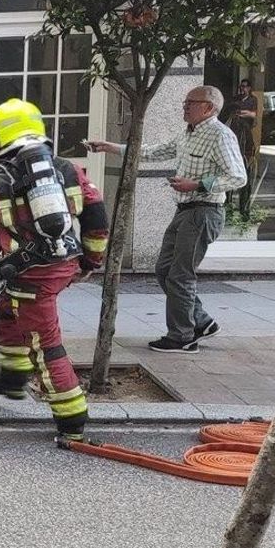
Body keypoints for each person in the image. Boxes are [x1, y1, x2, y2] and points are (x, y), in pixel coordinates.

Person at [0, 99, 109, 444]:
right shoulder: (68, 169)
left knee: (45, 343)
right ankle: (13, 376)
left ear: (0, 135)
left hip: (29, 273)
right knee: (6, 307)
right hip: (62, 263)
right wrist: (90, 262)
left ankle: (71, 418)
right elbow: (98, 219)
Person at [86, 85, 246, 353]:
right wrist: (110, 147)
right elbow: (155, 151)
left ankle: (182, 337)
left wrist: (197, 184)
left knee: (180, 275)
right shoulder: (189, 132)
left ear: (209, 108)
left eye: (190, 102)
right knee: (164, 270)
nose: (184, 106)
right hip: (184, 211)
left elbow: (238, 177)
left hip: (203, 212)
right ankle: (201, 321)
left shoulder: (220, 135)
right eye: (184, 101)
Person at [222, 78, 261, 216]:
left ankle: (244, 209)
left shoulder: (252, 100)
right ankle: (228, 205)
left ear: (249, 88)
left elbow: (253, 114)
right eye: (241, 86)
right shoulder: (235, 100)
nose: (242, 88)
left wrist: (243, 113)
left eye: (245, 86)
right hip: (234, 145)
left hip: (244, 145)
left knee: (245, 176)